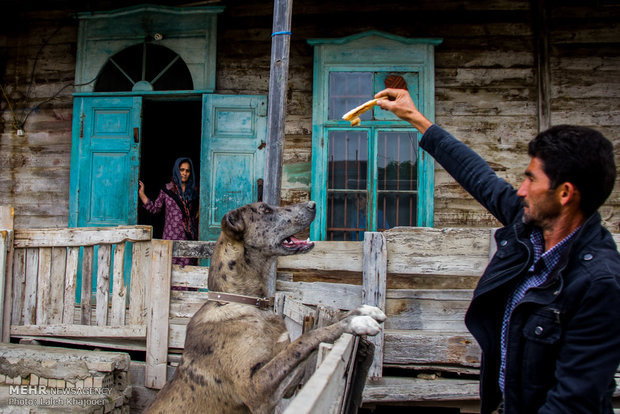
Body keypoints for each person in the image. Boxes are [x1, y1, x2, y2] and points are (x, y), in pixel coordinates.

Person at [375, 88, 620, 413]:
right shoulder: (529, 227)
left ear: (564, 193)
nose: (521, 189)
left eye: (531, 180)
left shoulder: (599, 284)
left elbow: (573, 403)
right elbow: (480, 179)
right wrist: (416, 119)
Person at [139, 157, 199, 267]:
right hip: (170, 237)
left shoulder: (194, 191)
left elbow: (199, 211)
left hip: (188, 238)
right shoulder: (167, 190)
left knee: (187, 271)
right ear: (176, 170)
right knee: (169, 270)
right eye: (181, 170)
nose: (184, 173)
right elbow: (155, 208)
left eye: (187, 171)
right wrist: (142, 194)